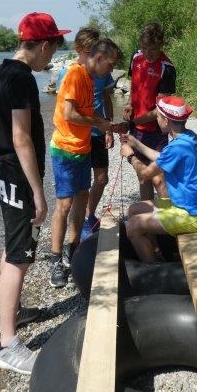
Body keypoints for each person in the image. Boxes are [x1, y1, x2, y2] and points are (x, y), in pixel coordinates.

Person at [0, 11, 70, 374]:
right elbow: (22, 138)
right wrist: (39, 192)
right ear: (43, 45)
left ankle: (12, 313)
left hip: (5, 172)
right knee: (19, 256)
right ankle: (7, 345)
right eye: (53, 48)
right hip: (19, 178)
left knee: (12, 246)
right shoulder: (21, 79)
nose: (52, 57)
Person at [49, 38, 122, 288]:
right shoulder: (75, 74)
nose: (111, 70)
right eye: (110, 64)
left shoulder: (90, 79)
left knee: (82, 197)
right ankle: (55, 260)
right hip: (65, 150)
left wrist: (108, 125)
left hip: (83, 148)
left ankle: (73, 249)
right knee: (64, 204)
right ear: (99, 57)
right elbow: (69, 114)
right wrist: (98, 123)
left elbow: (87, 111)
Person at [119, 96, 197, 262]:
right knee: (134, 210)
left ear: (166, 120)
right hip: (187, 205)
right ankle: (156, 252)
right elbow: (163, 158)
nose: (156, 120)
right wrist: (136, 143)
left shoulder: (176, 148)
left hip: (193, 214)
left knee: (133, 226)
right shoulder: (189, 137)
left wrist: (130, 156)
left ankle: (153, 268)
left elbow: (145, 174)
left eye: (157, 116)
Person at [55, 27, 116, 241]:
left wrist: (108, 127)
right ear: (78, 49)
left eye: (94, 49)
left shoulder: (103, 71)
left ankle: (89, 216)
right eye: (87, 50)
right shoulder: (69, 72)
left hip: (97, 131)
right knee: (76, 189)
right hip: (75, 136)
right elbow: (63, 110)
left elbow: (107, 98)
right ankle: (76, 227)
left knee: (101, 178)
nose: (90, 53)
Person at [122, 22, 176, 200]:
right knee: (143, 175)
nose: (147, 53)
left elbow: (161, 109)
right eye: (144, 48)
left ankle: (167, 213)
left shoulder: (167, 68)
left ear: (161, 44)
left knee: (158, 178)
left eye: (152, 49)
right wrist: (129, 103)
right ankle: (147, 212)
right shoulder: (136, 57)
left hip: (156, 130)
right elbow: (134, 84)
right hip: (137, 129)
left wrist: (137, 120)